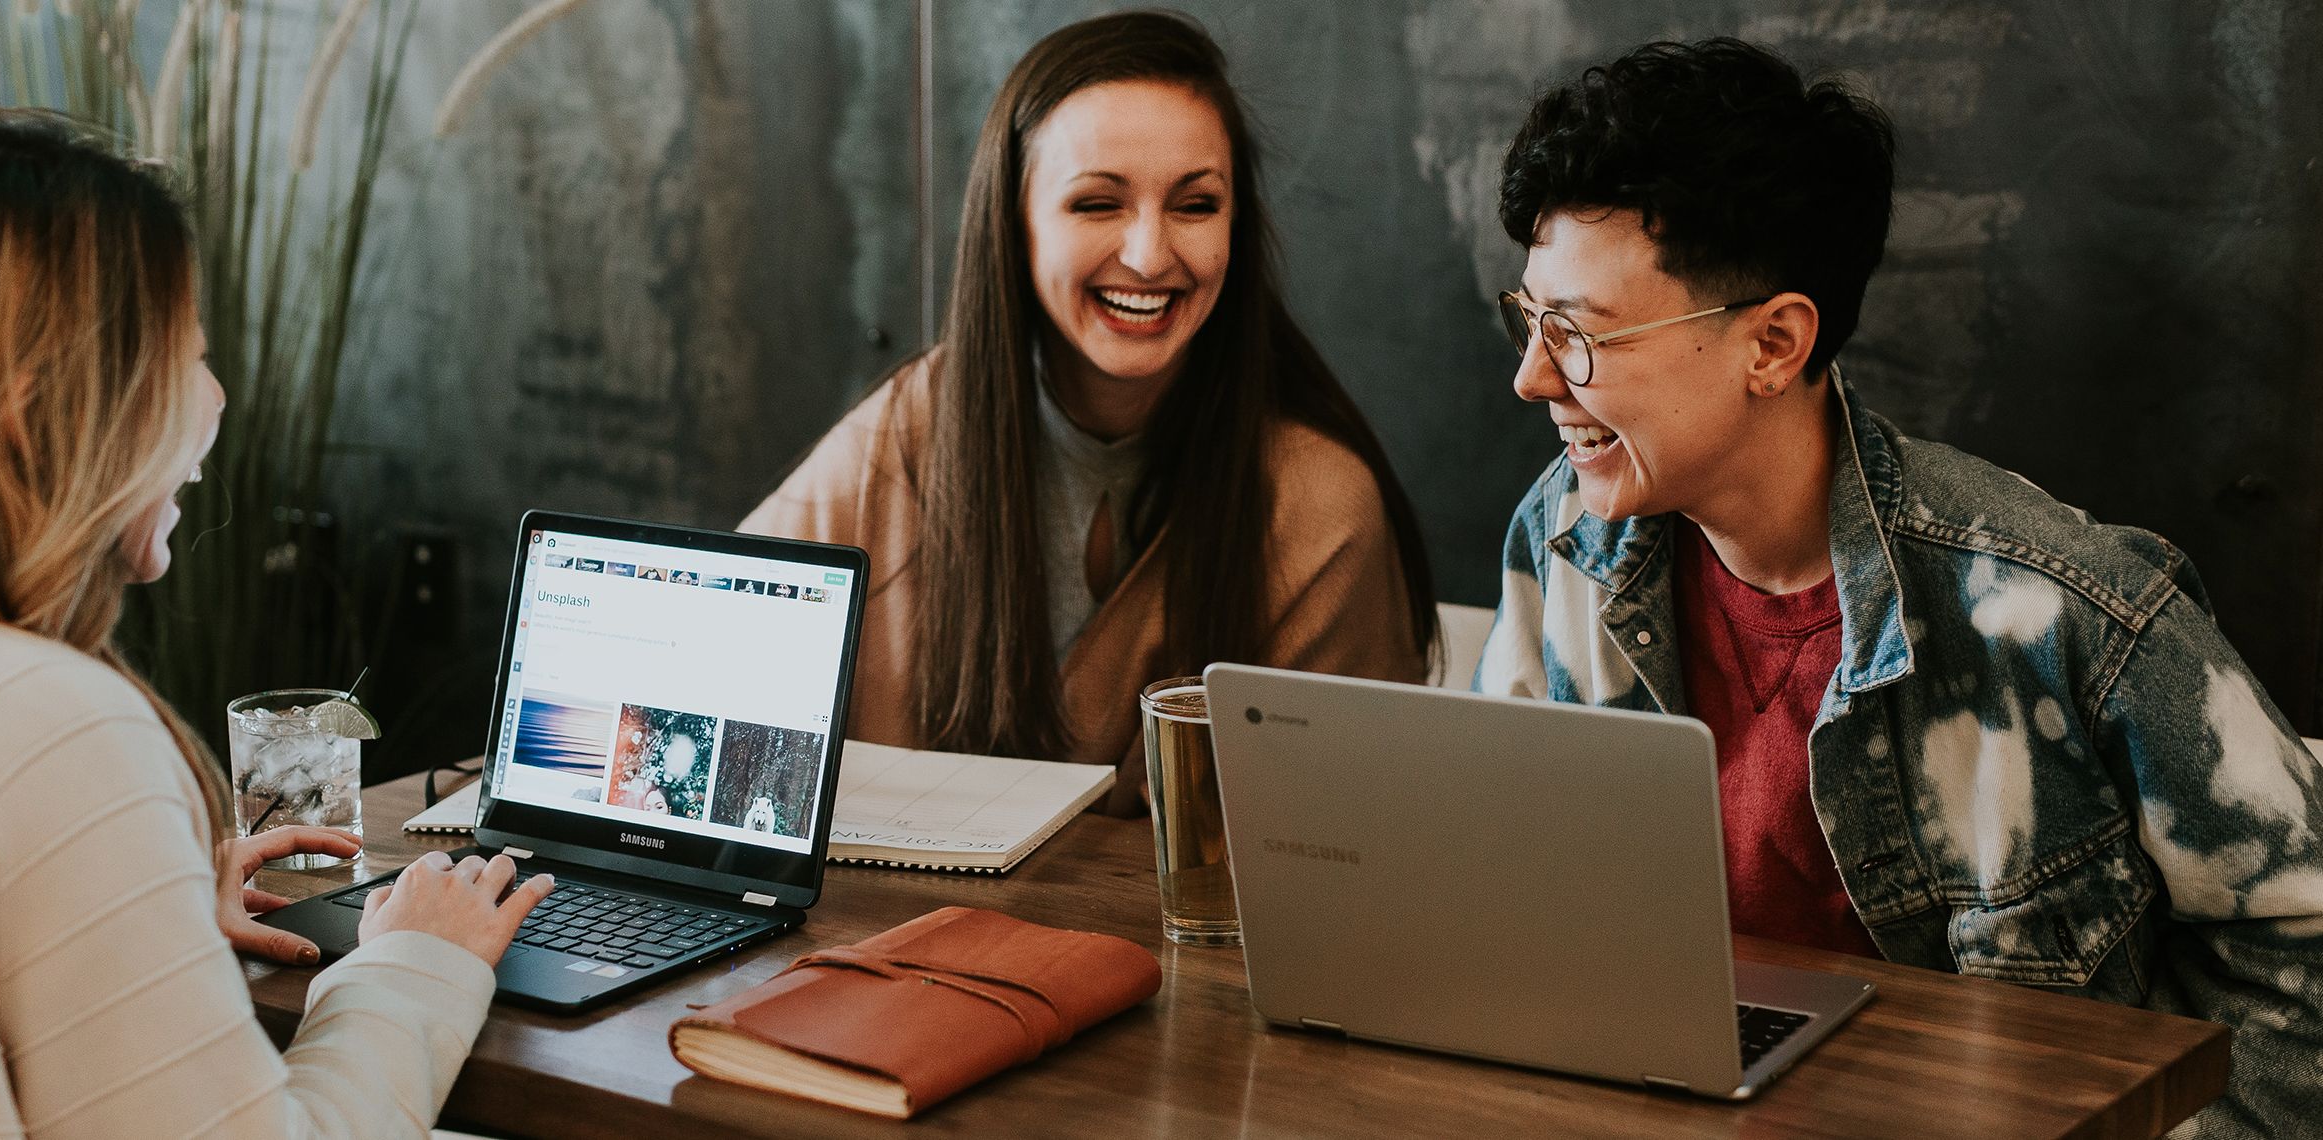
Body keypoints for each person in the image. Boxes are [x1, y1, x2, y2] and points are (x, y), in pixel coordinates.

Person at [0, 109, 551, 1138]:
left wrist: (129, 912)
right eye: (182, 357)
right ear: (40, 411)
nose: (212, 400)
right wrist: (415, 961)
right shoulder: (47, 725)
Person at [1471, 39, 2322, 1136]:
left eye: (1578, 334)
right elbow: (1505, 887)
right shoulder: (1563, 534)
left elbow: (2303, 958)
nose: (1531, 376)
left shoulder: (2064, 611)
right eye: (1527, 319)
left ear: (1773, 343)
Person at [744, 11, 1437, 814]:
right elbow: (708, 649)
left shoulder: (1320, 506)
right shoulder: (905, 432)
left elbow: (1350, 846)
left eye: (1196, 204)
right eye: (1097, 204)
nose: (1149, 254)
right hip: (885, 938)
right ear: (1015, 224)